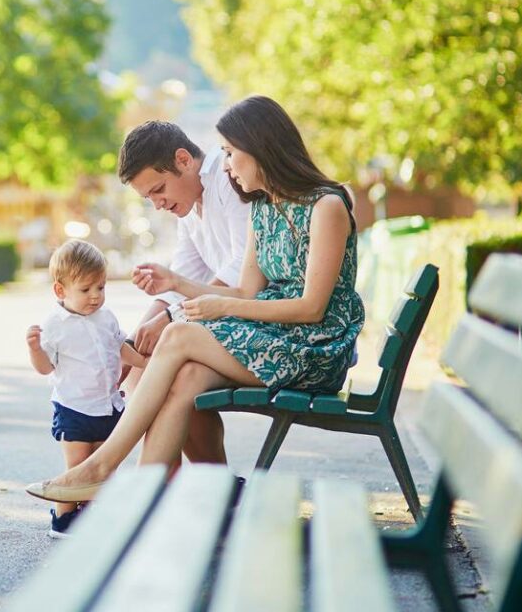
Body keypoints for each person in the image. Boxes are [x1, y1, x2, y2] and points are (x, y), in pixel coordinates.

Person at [26, 95, 364, 503]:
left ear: (262, 148)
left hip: (314, 347)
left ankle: (104, 468)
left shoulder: (326, 205)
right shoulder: (263, 210)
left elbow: (311, 309)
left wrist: (203, 310)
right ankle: (150, 502)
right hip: (273, 337)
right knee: (183, 377)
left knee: (178, 338)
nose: (224, 164)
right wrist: (178, 287)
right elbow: (244, 291)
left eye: (230, 153)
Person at [118, 121, 251, 465]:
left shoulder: (229, 179)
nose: (158, 205)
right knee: (137, 365)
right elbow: (181, 279)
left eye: (159, 189)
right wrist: (130, 344)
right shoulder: (189, 206)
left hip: (252, 316)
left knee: (175, 367)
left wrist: (168, 319)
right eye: (149, 198)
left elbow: (241, 268)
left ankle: (201, 482)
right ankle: (178, 481)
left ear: (183, 160)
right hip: (224, 318)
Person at [25, 239, 147, 535]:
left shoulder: (106, 317)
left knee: (104, 468)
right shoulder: (54, 325)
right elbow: (45, 369)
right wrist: (35, 349)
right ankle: (63, 518)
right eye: (85, 289)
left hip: (107, 405)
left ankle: (96, 517)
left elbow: (121, 347)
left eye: (101, 288)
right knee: (79, 468)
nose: (95, 297)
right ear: (60, 290)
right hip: (74, 408)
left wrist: (149, 362)